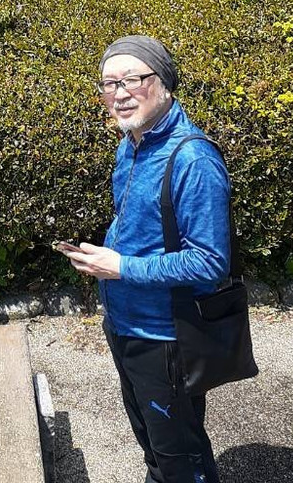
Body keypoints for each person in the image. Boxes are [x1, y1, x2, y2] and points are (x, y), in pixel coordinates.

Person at [57, 35, 231, 483]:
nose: (119, 93)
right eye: (108, 83)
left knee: (180, 459)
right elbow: (135, 226)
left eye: (132, 79)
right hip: (124, 324)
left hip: (165, 337)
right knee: (155, 446)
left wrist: (121, 267)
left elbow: (210, 262)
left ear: (165, 84)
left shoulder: (193, 158)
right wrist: (101, 257)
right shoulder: (131, 144)